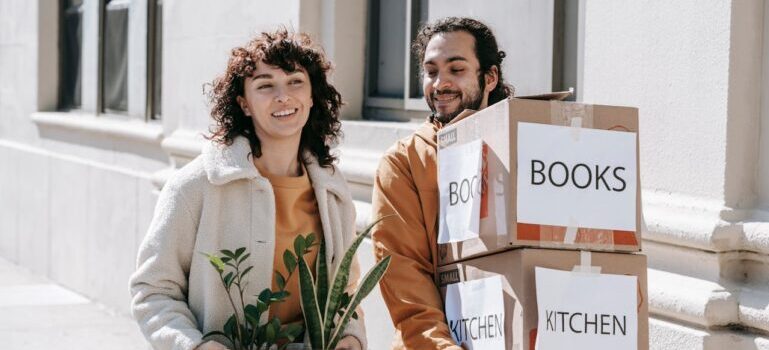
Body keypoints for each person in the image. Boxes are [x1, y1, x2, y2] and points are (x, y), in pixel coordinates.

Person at [130, 29, 365, 350]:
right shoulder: (196, 185)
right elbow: (153, 290)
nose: (283, 96)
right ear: (243, 103)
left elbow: (347, 288)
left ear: (312, 95)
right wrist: (195, 346)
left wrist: (350, 336)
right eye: (266, 85)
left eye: (295, 81)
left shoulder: (332, 189)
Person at [371, 17, 513, 349]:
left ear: (489, 77)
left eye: (456, 69)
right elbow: (405, 278)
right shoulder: (404, 162)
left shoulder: (523, 146)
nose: (440, 83)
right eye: (431, 71)